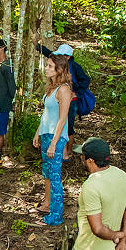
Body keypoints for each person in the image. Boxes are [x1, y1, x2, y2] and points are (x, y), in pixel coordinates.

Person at [34, 38, 91, 160]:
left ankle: (68, 152)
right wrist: (37, 45)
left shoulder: (74, 67)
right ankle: (63, 152)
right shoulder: (56, 71)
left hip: (71, 101)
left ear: (68, 57)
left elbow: (85, 80)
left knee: (68, 126)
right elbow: (48, 52)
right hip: (51, 123)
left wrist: (77, 93)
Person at [32, 54, 72, 226]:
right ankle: (47, 205)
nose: (46, 68)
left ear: (59, 70)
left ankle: (56, 216)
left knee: (55, 176)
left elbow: (62, 120)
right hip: (46, 134)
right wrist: (37, 132)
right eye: (47, 65)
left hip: (56, 137)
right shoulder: (51, 87)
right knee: (47, 173)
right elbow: (46, 115)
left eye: (50, 66)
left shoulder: (64, 90)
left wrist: (54, 144)